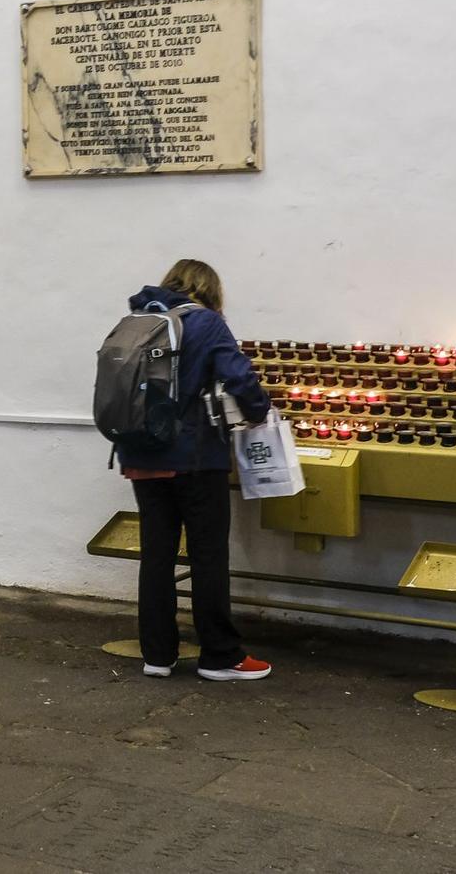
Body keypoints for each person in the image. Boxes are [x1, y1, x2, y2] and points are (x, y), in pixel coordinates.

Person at [118, 259, 273, 681]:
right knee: (207, 557)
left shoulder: (139, 317)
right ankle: (220, 656)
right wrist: (261, 413)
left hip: (141, 455)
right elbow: (238, 378)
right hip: (195, 458)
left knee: (156, 557)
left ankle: (157, 655)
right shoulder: (206, 322)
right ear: (210, 288)